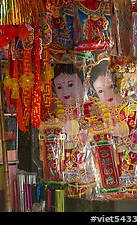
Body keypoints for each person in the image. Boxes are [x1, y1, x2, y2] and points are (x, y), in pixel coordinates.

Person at [88, 58, 137, 199]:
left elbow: (134, 120)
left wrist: (121, 128)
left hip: (131, 150)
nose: (107, 94)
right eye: (100, 91)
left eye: (110, 87)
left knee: (129, 168)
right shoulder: (104, 111)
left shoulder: (131, 106)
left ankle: (131, 182)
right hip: (112, 154)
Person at [39, 62, 95, 197]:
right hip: (61, 165)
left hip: (83, 163)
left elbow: (96, 127)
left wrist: (80, 128)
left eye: (70, 85)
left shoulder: (90, 107)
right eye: (59, 87)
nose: (65, 92)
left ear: (84, 85)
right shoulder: (55, 111)